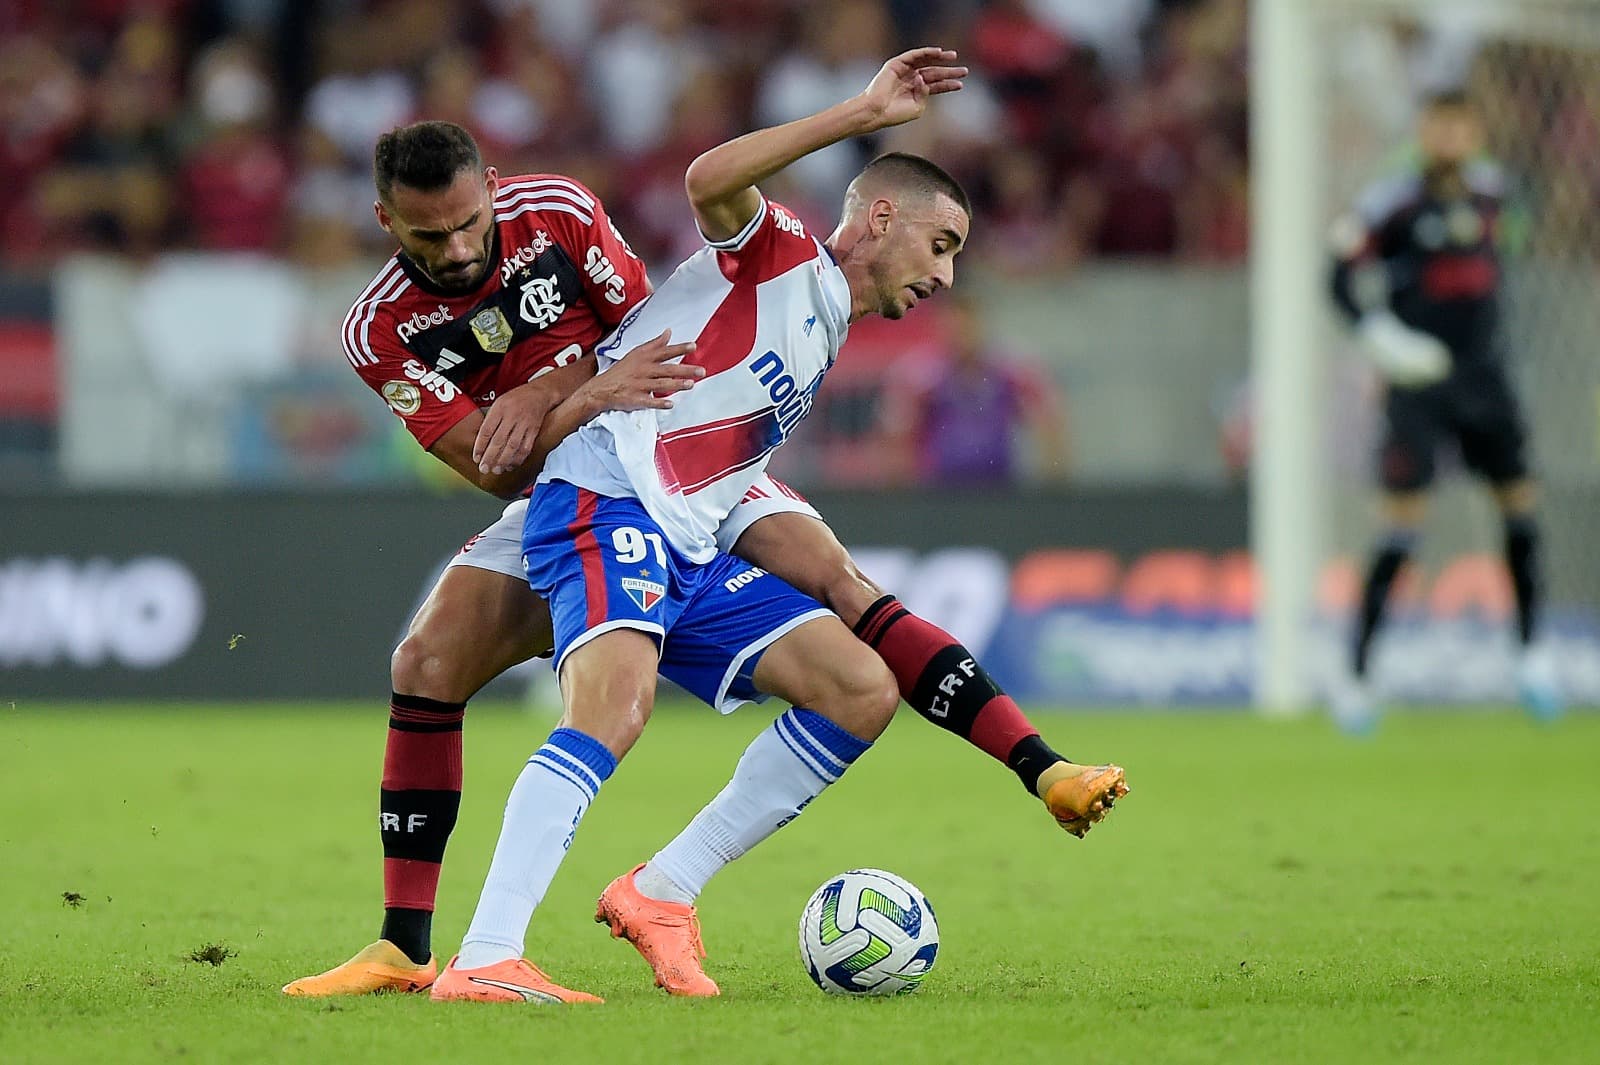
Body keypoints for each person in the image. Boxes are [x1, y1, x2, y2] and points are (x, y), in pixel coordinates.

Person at [285, 108, 1115, 1000]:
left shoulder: (803, 312)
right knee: (563, 692)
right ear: (881, 219)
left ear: (491, 195)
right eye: (942, 245)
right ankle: (473, 953)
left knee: (860, 682)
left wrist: (1039, 765)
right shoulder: (785, 252)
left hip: (686, 499)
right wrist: (865, 114)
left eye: (465, 225)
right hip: (606, 483)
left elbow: (634, 331)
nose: (947, 275)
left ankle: (662, 890)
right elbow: (705, 188)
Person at [1328, 90, 1560, 730]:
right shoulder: (1392, 200)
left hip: (1486, 377)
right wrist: (1381, 337)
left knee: (1519, 506)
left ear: (1476, 131)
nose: (1450, 138)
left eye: (1461, 127)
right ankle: (1356, 673)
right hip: (1420, 383)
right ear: (1424, 131)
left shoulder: (1497, 195)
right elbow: (1338, 273)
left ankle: (1533, 655)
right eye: (1439, 126)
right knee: (1401, 521)